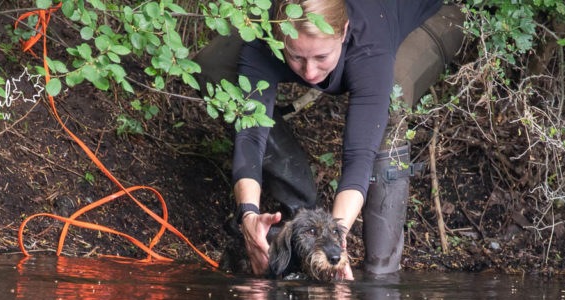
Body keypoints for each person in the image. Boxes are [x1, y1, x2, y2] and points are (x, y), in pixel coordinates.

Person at [196, 0, 464, 277]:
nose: (310, 73)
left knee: (392, 100)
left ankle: (380, 273)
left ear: (344, 31)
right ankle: (299, 213)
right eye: (296, 57)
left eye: (321, 58)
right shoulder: (267, 30)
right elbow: (251, 134)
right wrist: (248, 215)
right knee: (215, 65)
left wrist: (338, 239)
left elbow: (358, 157)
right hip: (315, 33)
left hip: (430, 18)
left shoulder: (369, 43)